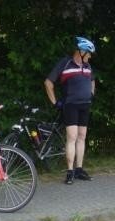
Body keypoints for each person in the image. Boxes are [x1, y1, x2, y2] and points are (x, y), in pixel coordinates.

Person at [44, 36, 96, 185]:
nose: (90, 56)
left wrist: (91, 94)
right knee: (72, 137)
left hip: (85, 105)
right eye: (89, 53)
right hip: (70, 105)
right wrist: (55, 103)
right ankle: (70, 172)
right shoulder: (65, 63)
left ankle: (79, 170)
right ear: (81, 51)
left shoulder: (87, 66)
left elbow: (92, 81)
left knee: (82, 137)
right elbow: (48, 83)